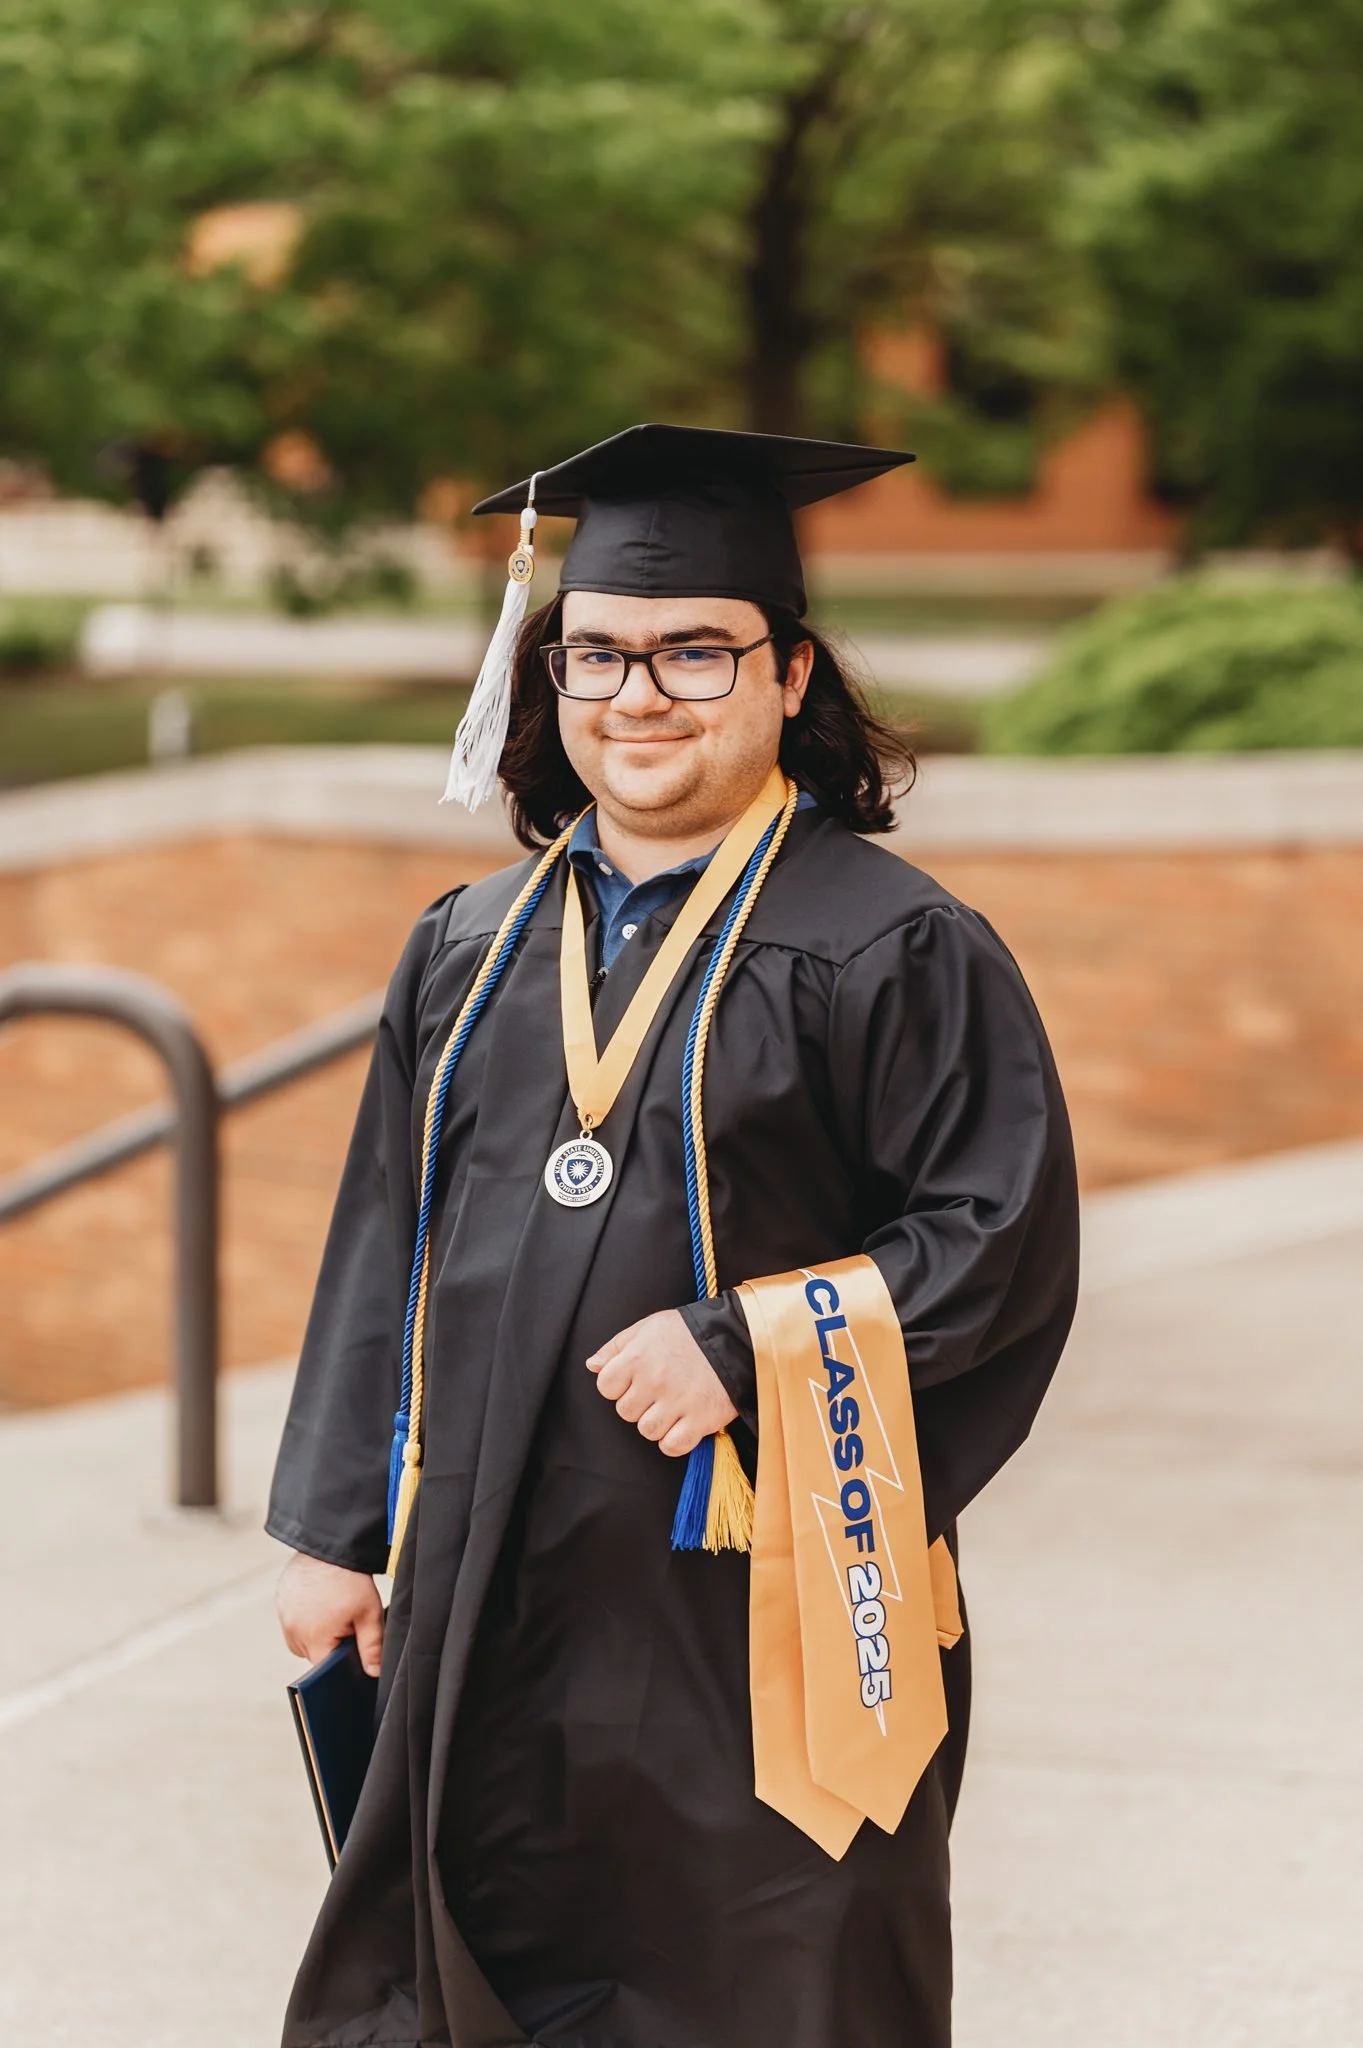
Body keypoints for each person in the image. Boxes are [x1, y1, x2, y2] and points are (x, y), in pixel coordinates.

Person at [268, 424, 1079, 2048]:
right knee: (474, 1950)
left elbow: (995, 1237)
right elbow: (383, 1238)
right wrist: (329, 1525)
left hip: (755, 1593)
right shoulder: (472, 945)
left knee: (760, 1974)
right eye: (599, 655)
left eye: (694, 654)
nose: (639, 695)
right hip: (491, 1566)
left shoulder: (892, 946)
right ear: (545, 674)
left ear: (788, 678)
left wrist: (742, 1342)